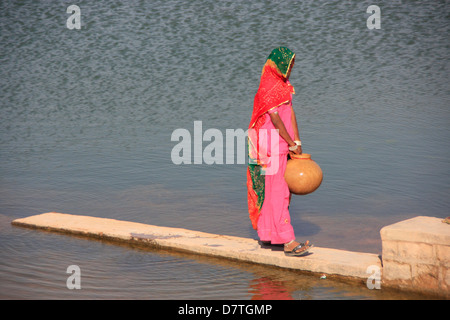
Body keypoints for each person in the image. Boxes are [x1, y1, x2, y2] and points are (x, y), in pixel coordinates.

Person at [247, 47, 312, 256]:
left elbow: (290, 112)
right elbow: (275, 119)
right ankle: (287, 241)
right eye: (288, 65)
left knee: (274, 190)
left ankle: (267, 235)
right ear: (276, 65)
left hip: (282, 143)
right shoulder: (268, 87)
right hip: (271, 145)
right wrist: (290, 142)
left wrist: (297, 140)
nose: (290, 69)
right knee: (280, 192)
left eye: (292, 65)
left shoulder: (284, 86)